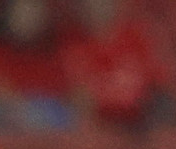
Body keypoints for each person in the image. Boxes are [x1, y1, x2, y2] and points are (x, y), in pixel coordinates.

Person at [63, 0, 169, 129]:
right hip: (99, 122)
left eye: (103, 3)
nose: (98, 8)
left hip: (142, 119)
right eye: (90, 4)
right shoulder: (73, 45)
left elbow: (157, 81)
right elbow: (80, 95)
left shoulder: (139, 35)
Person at [0, 0, 76, 130]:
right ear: (7, 16)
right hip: (6, 127)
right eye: (21, 13)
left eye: (33, 13)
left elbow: (74, 95)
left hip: (56, 130)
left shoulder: (59, 53)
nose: (28, 19)